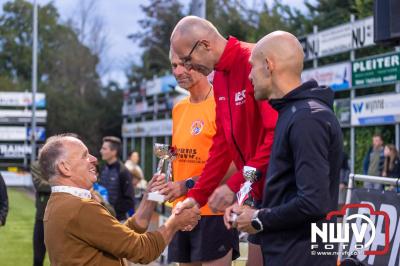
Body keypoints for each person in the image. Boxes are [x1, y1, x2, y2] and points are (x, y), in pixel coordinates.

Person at [224, 31, 343, 266]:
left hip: (302, 256)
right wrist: (251, 208)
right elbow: (291, 192)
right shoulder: (294, 113)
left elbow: (313, 202)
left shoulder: (307, 118)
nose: (249, 76)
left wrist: (258, 218)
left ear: (269, 65)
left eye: (252, 67)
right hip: (289, 252)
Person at [170, 16, 277, 265]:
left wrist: (234, 184)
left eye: (187, 60)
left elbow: (276, 135)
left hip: (282, 189)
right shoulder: (219, 77)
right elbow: (222, 144)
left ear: (205, 45)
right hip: (257, 190)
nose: (187, 68)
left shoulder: (253, 60)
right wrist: (196, 196)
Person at [40, 134, 200, 265]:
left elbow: (117, 237)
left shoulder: (59, 203)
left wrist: (148, 199)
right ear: (64, 167)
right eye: (84, 156)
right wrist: (175, 222)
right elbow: (143, 251)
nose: (94, 158)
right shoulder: (80, 207)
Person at [152, 48, 239, 265]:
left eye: (185, 64)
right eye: (174, 65)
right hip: (182, 211)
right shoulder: (179, 108)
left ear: (202, 64)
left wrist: (186, 185)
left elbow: (235, 165)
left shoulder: (223, 104)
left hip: (213, 211)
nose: (179, 71)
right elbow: (181, 153)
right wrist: (164, 179)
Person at [99, 136, 135, 221]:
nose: (101, 151)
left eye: (104, 149)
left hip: (117, 220)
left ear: (114, 152)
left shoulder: (123, 172)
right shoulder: (103, 169)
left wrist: (113, 211)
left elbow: (129, 201)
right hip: (102, 218)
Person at [31, 160, 51, 266]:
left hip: (61, 217)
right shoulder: (37, 165)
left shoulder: (63, 163)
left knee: (61, 257)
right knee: (38, 258)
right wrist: (59, 185)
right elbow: (39, 184)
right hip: (41, 216)